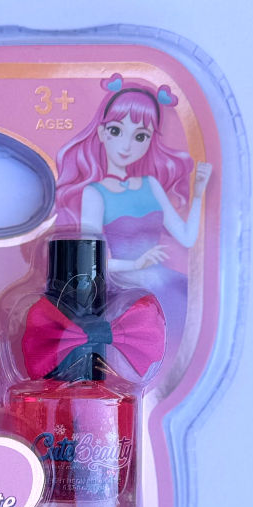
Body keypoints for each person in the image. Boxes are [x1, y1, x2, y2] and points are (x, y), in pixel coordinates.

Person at [55, 75, 212, 346]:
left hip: (165, 286)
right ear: (102, 133)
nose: (127, 145)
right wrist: (136, 264)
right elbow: (90, 263)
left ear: (150, 141)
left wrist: (198, 194)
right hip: (125, 293)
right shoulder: (95, 193)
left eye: (140, 136)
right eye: (116, 131)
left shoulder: (151, 185)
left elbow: (187, 238)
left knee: (185, 335)